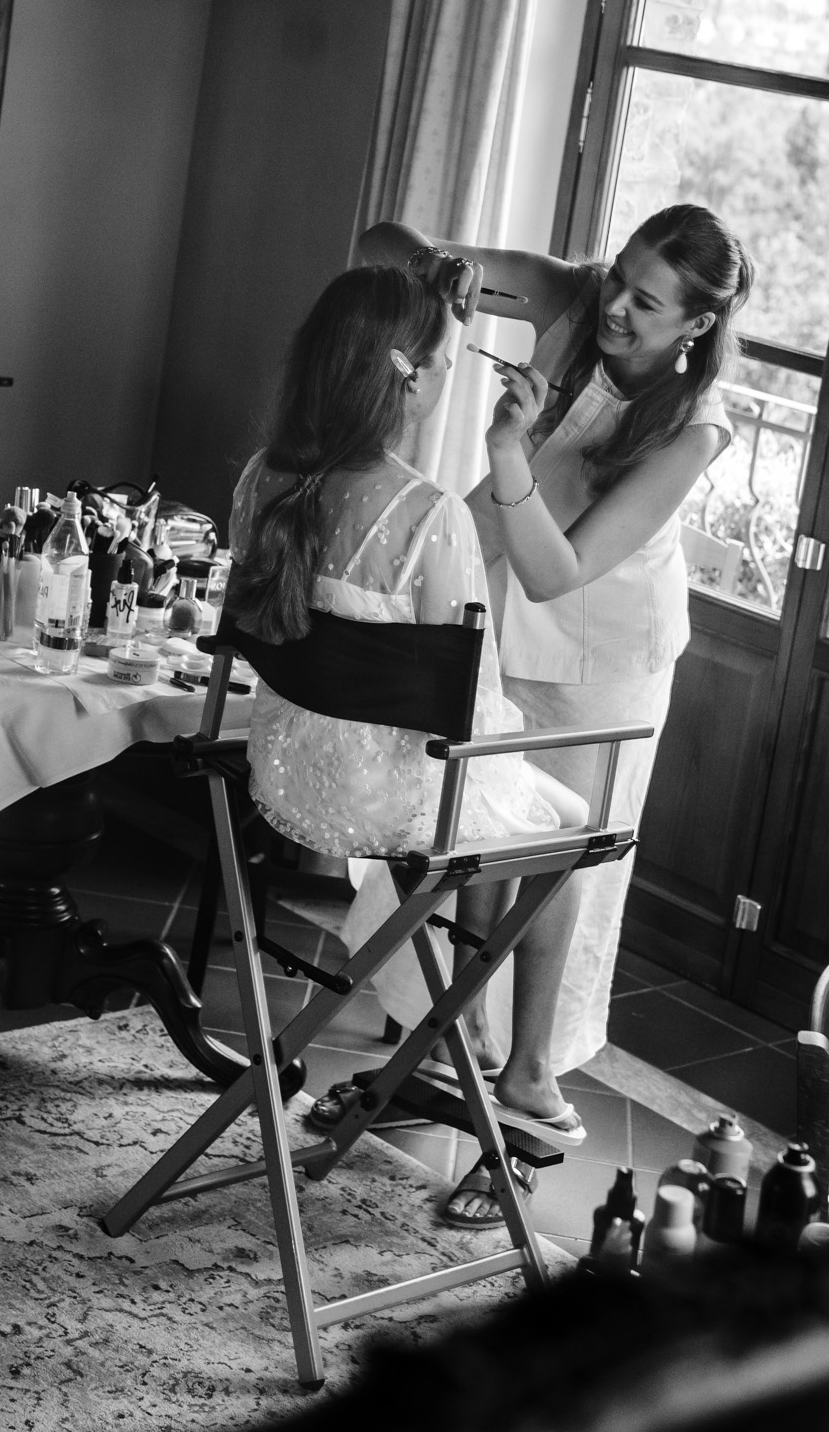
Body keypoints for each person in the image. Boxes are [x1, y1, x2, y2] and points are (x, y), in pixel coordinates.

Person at [348, 205, 755, 1223]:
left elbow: (558, 567)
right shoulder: (574, 293)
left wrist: (510, 445)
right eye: (618, 275)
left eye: (646, 300)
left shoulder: (695, 426)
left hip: (599, 660)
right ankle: (447, 1052)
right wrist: (431, 268)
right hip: (497, 617)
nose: (615, 303)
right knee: (467, 839)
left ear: (695, 326)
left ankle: (526, 1091)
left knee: (554, 867)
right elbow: (376, 243)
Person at [224, 266, 595, 1223]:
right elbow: (467, 714)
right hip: (382, 804)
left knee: (495, 807)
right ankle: (471, 1043)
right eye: (439, 361)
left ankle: (450, 1031)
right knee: (569, 816)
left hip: (281, 776)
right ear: (414, 380)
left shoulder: (261, 476)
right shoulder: (428, 517)